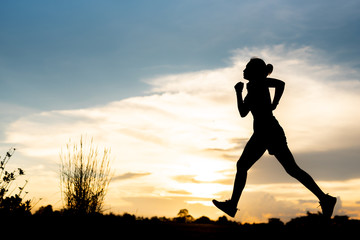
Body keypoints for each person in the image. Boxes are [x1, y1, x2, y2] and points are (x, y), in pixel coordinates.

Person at [212, 58, 336, 218]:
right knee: (291, 169)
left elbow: (280, 84)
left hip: (267, 131)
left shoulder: (259, 82)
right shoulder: (252, 86)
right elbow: (243, 112)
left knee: (245, 166)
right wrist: (238, 93)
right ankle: (325, 199)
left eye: (246, 68)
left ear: (254, 72)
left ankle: (232, 205)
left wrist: (275, 103)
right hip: (266, 132)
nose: (243, 70)